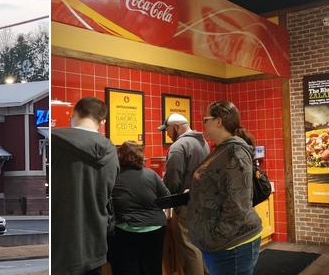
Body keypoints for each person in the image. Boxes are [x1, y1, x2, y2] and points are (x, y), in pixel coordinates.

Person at [188, 101, 262, 275]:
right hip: (222, 243)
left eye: (206, 119)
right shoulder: (222, 149)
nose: (203, 123)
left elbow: (238, 204)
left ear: (218, 121)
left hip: (232, 245)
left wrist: (217, 238)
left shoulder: (235, 152)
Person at [51, 97, 119, 275]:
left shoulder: (54, 142)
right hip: (94, 246)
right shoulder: (111, 151)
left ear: (74, 113)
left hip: (59, 247)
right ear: (102, 122)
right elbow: (110, 194)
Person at [158, 113, 210, 275]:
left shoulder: (178, 147)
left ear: (177, 127)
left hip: (186, 206)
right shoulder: (203, 143)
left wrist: (166, 198)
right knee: (202, 247)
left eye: (167, 129)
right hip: (204, 203)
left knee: (189, 249)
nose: (167, 133)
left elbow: (173, 180)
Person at [108, 142, 170, 275]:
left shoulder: (113, 177)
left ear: (119, 156)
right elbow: (166, 197)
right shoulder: (151, 174)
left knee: (127, 269)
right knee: (152, 268)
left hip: (125, 230)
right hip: (155, 228)